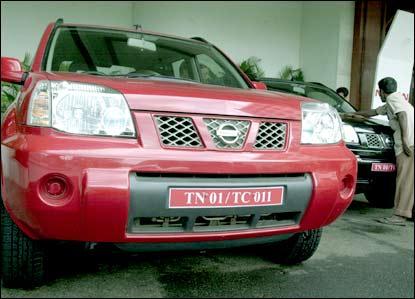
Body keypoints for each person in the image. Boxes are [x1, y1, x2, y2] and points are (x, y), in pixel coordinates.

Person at [343, 77, 414, 225]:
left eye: (379, 92)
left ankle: (399, 216)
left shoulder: (393, 100)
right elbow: (373, 112)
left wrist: (406, 141)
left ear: (381, 91)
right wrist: (351, 115)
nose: (379, 95)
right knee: (410, 182)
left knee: (404, 182)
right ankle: (409, 213)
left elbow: (402, 116)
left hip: (408, 146)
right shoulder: (397, 100)